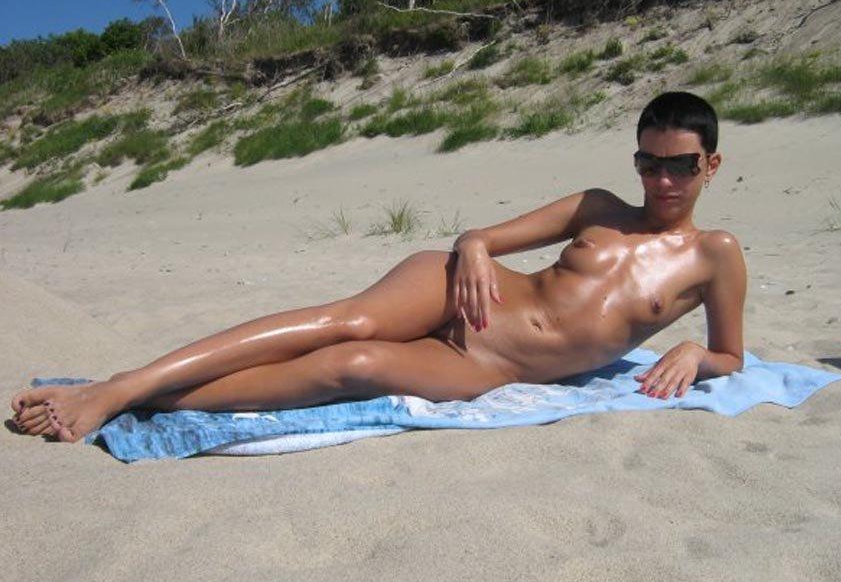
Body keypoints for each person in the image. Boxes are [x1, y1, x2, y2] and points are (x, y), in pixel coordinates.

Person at [10, 91, 746, 443]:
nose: (662, 180)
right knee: (346, 322)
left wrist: (695, 352)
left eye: (680, 165)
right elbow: (482, 236)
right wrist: (475, 247)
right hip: (469, 295)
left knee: (351, 365)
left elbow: (732, 356)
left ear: (710, 165)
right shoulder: (598, 204)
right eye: (648, 162)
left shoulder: (715, 255)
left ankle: (149, 401)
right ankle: (125, 385)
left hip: (491, 367)